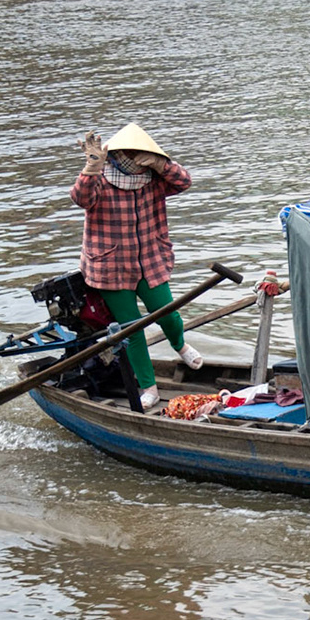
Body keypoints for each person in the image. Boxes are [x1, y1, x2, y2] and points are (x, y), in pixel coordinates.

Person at [72, 124, 201, 409]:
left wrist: (161, 163)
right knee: (132, 329)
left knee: (166, 312)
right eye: (130, 153)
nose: (135, 159)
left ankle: (179, 344)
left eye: (142, 154)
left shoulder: (154, 178)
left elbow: (184, 182)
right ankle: (148, 386)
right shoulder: (102, 179)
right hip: (111, 266)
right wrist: (92, 166)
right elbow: (81, 198)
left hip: (151, 260)